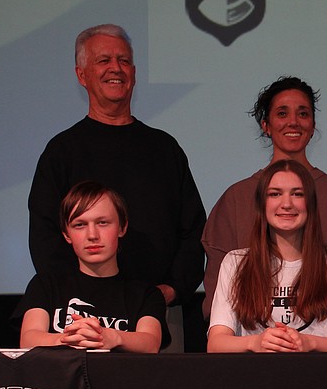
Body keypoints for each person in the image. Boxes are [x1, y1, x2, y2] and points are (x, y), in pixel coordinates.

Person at [28, 24, 206, 349]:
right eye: (104, 60)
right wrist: (73, 294)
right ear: (82, 75)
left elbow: (193, 231)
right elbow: (44, 233)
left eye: (124, 61)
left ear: (134, 74)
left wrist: (171, 290)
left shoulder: (165, 149)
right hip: (77, 320)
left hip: (155, 319)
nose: (116, 68)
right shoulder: (62, 151)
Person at [202, 76, 327, 319]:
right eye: (282, 114)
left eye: (303, 114)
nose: (293, 122)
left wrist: (323, 321)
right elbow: (217, 290)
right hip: (253, 346)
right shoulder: (236, 198)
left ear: (313, 124)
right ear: (266, 125)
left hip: (325, 344)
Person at [207, 159, 327, 352]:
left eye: (297, 194)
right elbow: (216, 344)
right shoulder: (235, 262)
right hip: (254, 377)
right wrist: (256, 342)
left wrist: (308, 342)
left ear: (311, 204)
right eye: (275, 194)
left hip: (319, 377)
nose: (287, 204)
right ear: (261, 205)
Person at [17, 182, 165, 352]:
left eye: (102, 223)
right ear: (66, 234)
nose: (92, 235)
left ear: (122, 227)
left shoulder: (145, 294)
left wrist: (108, 336)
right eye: (80, 225)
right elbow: (28, 339)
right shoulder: (46, 285)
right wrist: (71, 338)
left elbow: (150, 343)